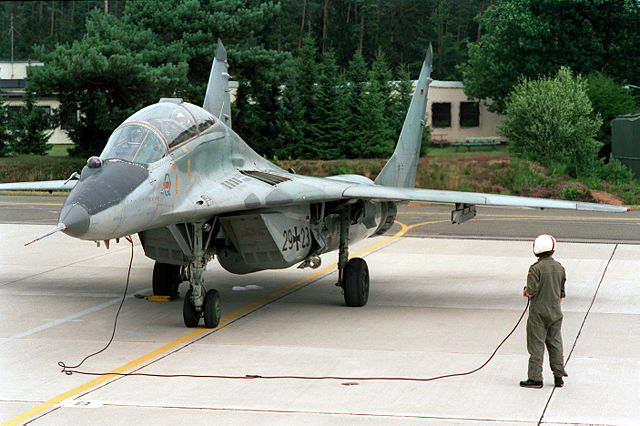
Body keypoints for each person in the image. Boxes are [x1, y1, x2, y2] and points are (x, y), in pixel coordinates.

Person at [520, 234, 569, 389]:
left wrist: (525, 291)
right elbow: (561, 294)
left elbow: (531, 291)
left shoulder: (535, 269)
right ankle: (558, 376)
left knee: (536, 345)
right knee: (555, 343)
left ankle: (535, 378)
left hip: (538, 314)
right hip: (555, 312)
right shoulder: (559, 267)